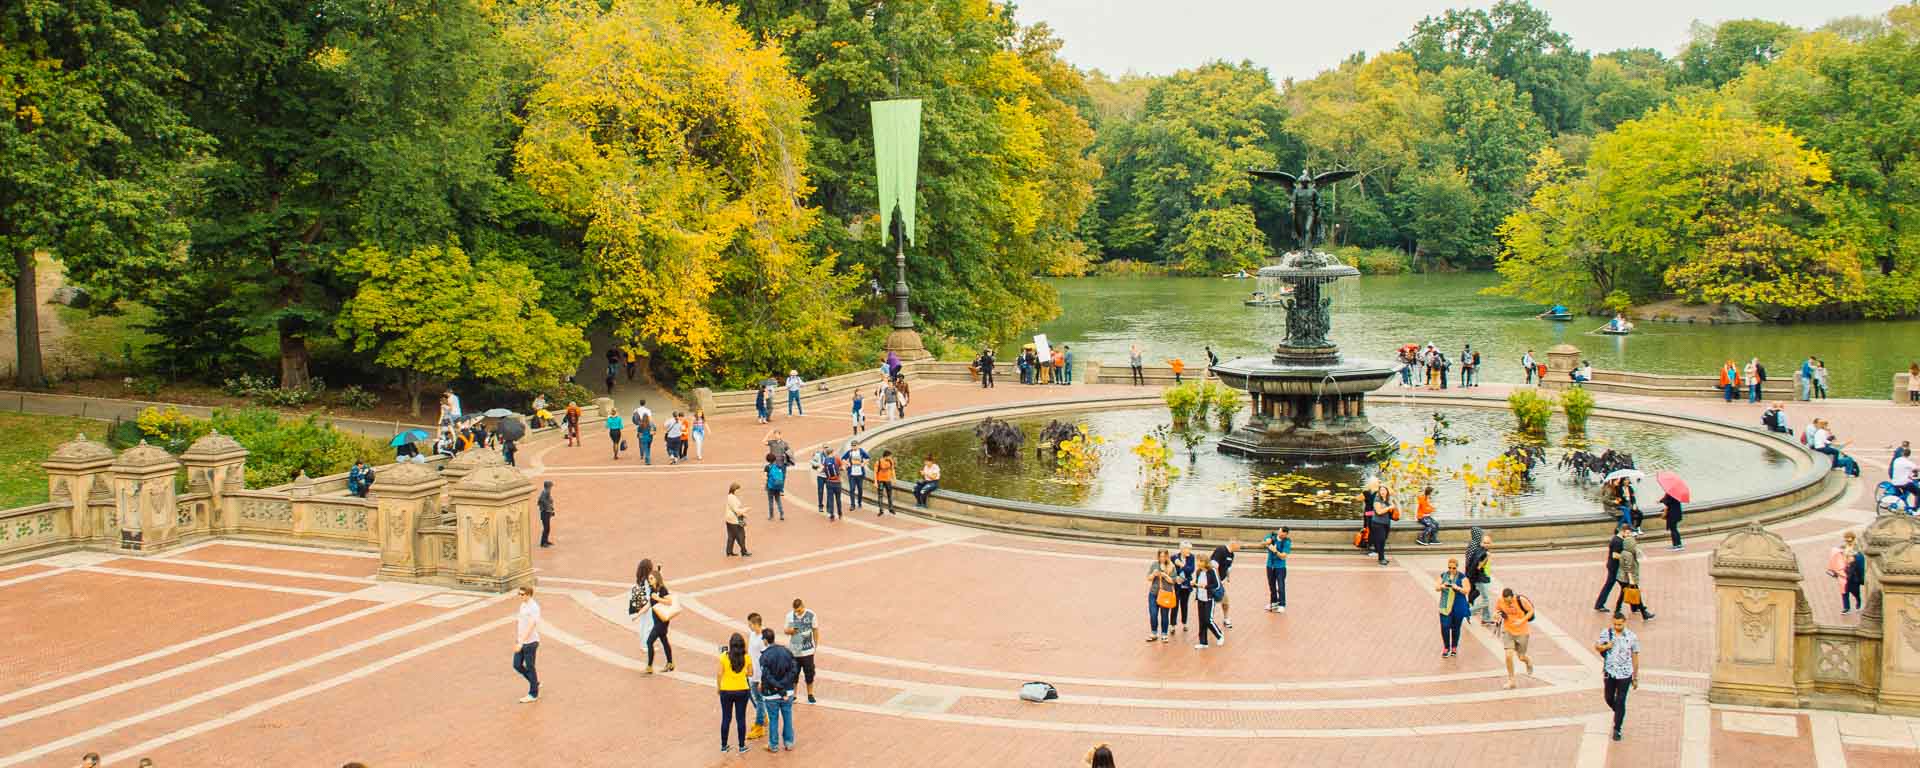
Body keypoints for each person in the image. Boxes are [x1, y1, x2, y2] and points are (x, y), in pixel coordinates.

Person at [1597, 612, 1641, 741]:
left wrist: (1635, 676)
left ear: (1624, 622)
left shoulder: (1632, 637)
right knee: (1609, 697)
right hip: (1610, 672)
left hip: (1625, 674)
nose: (1617, 626)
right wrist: (1606, 646)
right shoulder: (1607, 633)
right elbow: (1597, 646)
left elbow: (1635, 656)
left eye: (1620, 624)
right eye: (1615, 624)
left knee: (1621, 700)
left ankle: (1617, 728)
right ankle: (1619, 714)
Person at [758, 628, 798, 752]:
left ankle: (774, 745)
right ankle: (789, 742)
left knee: (773, 719)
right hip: (788, 692)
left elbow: (767, 676)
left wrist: (779, 688)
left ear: (765, 640)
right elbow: (793, 671)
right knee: (787, 717)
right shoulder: (786, 651)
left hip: (771, 694)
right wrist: (783, 687)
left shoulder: (764, 656)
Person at [717, 632, 754, 753]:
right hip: (742, 690)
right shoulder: (747, 657)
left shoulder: (723, 656)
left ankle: (724, 745)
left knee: (726, 718)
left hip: (726, 690)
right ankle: (742, 746)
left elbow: (719, 674)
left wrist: (719, 687)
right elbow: (750, 673)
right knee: (741, 718)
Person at [1495, 587, 1535, 689]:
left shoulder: (1521, 600)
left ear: (1512, 597)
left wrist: (1522, 620)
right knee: (1508, 655)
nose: (1507, 603)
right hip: (1508, 631)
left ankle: (1528, 661)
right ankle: (1511, 680)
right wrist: (1497, 615)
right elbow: (1497, 610)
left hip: (1522, 632)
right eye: (1505, 601)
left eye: (1509, 601)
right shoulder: (1500, 600)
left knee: (1521, 657)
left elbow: (1531, 611)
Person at [1612, 530, 1654, 621]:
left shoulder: (1626, 552)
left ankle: (1619, 609)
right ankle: (1643, 613)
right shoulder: (1628, 555)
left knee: (1623, 593)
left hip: (1622, 578)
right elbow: (1628, 568)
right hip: (1626, 578)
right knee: (1636, 594)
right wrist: (1631, 581)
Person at [785, 599, 820, 703]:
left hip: (807, 651)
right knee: (794, 673)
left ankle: (810, 694)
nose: (797, 613)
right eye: (796, 611)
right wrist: (791, 631)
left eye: (799, 610)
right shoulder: (790, 616)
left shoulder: (811, 615)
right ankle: (794, 694)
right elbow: (785, 630)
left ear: (803, 606)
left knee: (809, 673)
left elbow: (815, 630)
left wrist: (815, 645)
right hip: (794, 651)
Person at [1436, 557, 1471, 657]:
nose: (1451, 570)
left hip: (1458, 605)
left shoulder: (1462, 577)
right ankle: (1446, 647)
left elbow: (1467, 590)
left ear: (1457, 567)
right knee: (1445, 626)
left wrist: (1458, 588)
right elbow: (1436, 587)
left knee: (1456, 627)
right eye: (1449, 567)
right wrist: (1442, 586)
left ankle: (1454, 647)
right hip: (1445, 605)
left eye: (1453, 568)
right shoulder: (1443, 575)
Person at [512, 585, 541, 703]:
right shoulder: (523, 604)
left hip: (530, 642)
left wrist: (521, 642)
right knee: (517, 665)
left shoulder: (534, 607)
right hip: (521, 640)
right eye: (519, 594)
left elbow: (531, 625)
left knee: (530, 667)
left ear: (529, 595)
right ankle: (535, 682)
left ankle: (533, 694)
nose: (520, 596)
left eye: (522, 594)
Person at [1192, 555, 1224, 649]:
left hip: (1209, 599)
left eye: (1200, 561)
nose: (1198, 563)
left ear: (1205, 562)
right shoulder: (1198, 572)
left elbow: (1217, 585)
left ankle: (1219, 636)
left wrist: (1205, 586)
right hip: (1200, 598)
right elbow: (1198, 584)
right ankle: (1203, 642)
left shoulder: (1212, 571)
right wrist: (1194, 584)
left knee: (1208, 620)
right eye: (1197, 561)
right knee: (1201, 620)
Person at [1466, 528, 1494, 627]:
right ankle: (1468, 611)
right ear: (1481, 542)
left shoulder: (1477, 548)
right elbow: (1479, 566)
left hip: (1480, 577)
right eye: (1484, 542)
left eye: (1488, 543)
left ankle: (1486, 619)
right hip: (1479, 579)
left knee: (1484, 597)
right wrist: (1487, 557)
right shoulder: (1483, 553)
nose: (1486, 544)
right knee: (1486, 600)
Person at [1827, 532, 1862, 614]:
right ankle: (1846, 607)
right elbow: (1835, 555)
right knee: (1844, 590)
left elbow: (1859, 559)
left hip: (1853, 573)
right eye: (1846, 540)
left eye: (1850, 540)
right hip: (1843, 572)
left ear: (1853, 539)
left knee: (1855, 591)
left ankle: (1858, 600)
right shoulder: (1842, 547)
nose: (1848, 542)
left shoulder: (1857, 548)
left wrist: (1853, 556)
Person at [1146, 549, 1176, 642]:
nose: (1162, 558)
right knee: (1153, 614)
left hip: (1165, 593)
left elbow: (1173, 581)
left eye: (1164, 556)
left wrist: (1165, 575)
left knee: (1164, 615)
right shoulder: (1154, 565)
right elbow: (1148, 578)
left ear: (1167, 556)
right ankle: (1154, 633)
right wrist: (1153, 575)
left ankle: (1164, 634)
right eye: (1160, 556)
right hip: (1154, 593)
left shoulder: (1171, 566)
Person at [1594, 524, 1626, 611]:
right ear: (1623, 531)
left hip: (1613, 566)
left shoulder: (1616, 539)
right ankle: (1634, 606)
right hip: (1615, 568)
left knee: (1610, 585)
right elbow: (1615, 555)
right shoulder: (1617, 541)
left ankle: (1599, 604)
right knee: (1625, 586)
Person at [1209, 540, 1238, 629]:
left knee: (1225, 601)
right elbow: (1214, 565)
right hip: (1212, 581)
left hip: (1221, 582)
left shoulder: (1232, 554)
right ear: (1233, 544)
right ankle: (1209, 620)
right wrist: (1217, 581)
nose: (1239, 548)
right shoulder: (1221, 550)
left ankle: (1226, 618)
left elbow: (1228, 568)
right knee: (1210, 602)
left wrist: (1228, 578)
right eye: (1238, 546)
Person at [1363, 480, 1393, 566]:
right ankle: (1381, 557)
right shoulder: (1375, 497)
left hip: (1385, 521)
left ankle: (1375, 550)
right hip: (1375, 520)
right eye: (1381, 490)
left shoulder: (1388, 499)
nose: (1383, 492)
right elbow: (1379, 512)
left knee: (1382, 538)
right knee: (1381, 539)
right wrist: (1389, 507)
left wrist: (1393, 508)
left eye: (1384, 490)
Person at [1263, 526, 1290, 613]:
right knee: (1272, 586)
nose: (1282, 535)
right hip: (1270, 566)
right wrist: (1267, 542)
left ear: (1286, 534)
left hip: (1280, 568)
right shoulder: (1271, 536)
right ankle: (1274, 603)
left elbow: (1283, 556)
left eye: (1284, 534)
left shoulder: (1287, 542)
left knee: (1281, 587)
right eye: (1281, 532)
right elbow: (1264, 543)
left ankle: (1282, 604)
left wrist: (1275, 551)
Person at [1172, 542, 1197, 633]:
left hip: (1186, 584)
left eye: (1190, 549)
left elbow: (1191, 570)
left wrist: (1181, 565)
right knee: (1175, 604)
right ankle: (1173, 625)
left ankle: (1184, 623)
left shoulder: (1191, 557)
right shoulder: (1174, 557)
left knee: (1184, 604)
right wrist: (1176, 578)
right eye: (1188, 549)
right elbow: (1171, 570)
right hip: (1177, 584)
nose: (1189, 551)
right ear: (1182, 549)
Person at [724, 483, 751, 557]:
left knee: (731, 536)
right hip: (734, 520)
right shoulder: (733, 498)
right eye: (738, 490)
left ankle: (729, 552)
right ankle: (744, 551)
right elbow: (737, 511)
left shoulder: (729, 496)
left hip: (729, 519)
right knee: (741, 536)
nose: (739, 491)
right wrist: (746, 510)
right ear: (734, 490)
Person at [843, 440, 870, 512]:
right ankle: (852, 505)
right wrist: (847, 463)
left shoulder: (861, 451)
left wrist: (863, 463)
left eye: (855, 445)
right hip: (852, 474)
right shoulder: (849, 452)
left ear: (858, 445)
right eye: (852, 445)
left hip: (860, 474)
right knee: (852, 489)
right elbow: (843, 458)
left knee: (860, 489)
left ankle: (859, 502)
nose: (853, 447)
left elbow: (868, 458)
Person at [763, 452, 787, 521]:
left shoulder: (767, 467)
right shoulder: (778, 466)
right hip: (778, 485)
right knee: (778, 500)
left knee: (771, 501)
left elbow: (765, 477)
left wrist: (765, 484)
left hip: (770, 486)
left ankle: (771, 516)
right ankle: (781, 513)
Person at [872, 450, 897, 514]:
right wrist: (875, 482)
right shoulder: (879, 462)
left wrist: (894, 478)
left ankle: (891, 508)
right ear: (886, 456)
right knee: (880, 495)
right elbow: (875, 472)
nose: (891, 457)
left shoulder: (891, 461)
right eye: (890, 456)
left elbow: (892, 469)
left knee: (890, 495)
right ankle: (881, 509)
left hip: (888, 480)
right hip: (880, 480)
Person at [538, 481, 556, 548]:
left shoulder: (546, 492)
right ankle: (543, 543)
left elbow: (548, 502)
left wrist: (551, 510)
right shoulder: (545, 492)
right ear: (548, 486)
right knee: (546, 528)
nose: (551, 488)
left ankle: (546, 541)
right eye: (550, 486)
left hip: (546, 512)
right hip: (544, 513)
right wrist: (547, 508)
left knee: (547, 528)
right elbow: (541, 500)